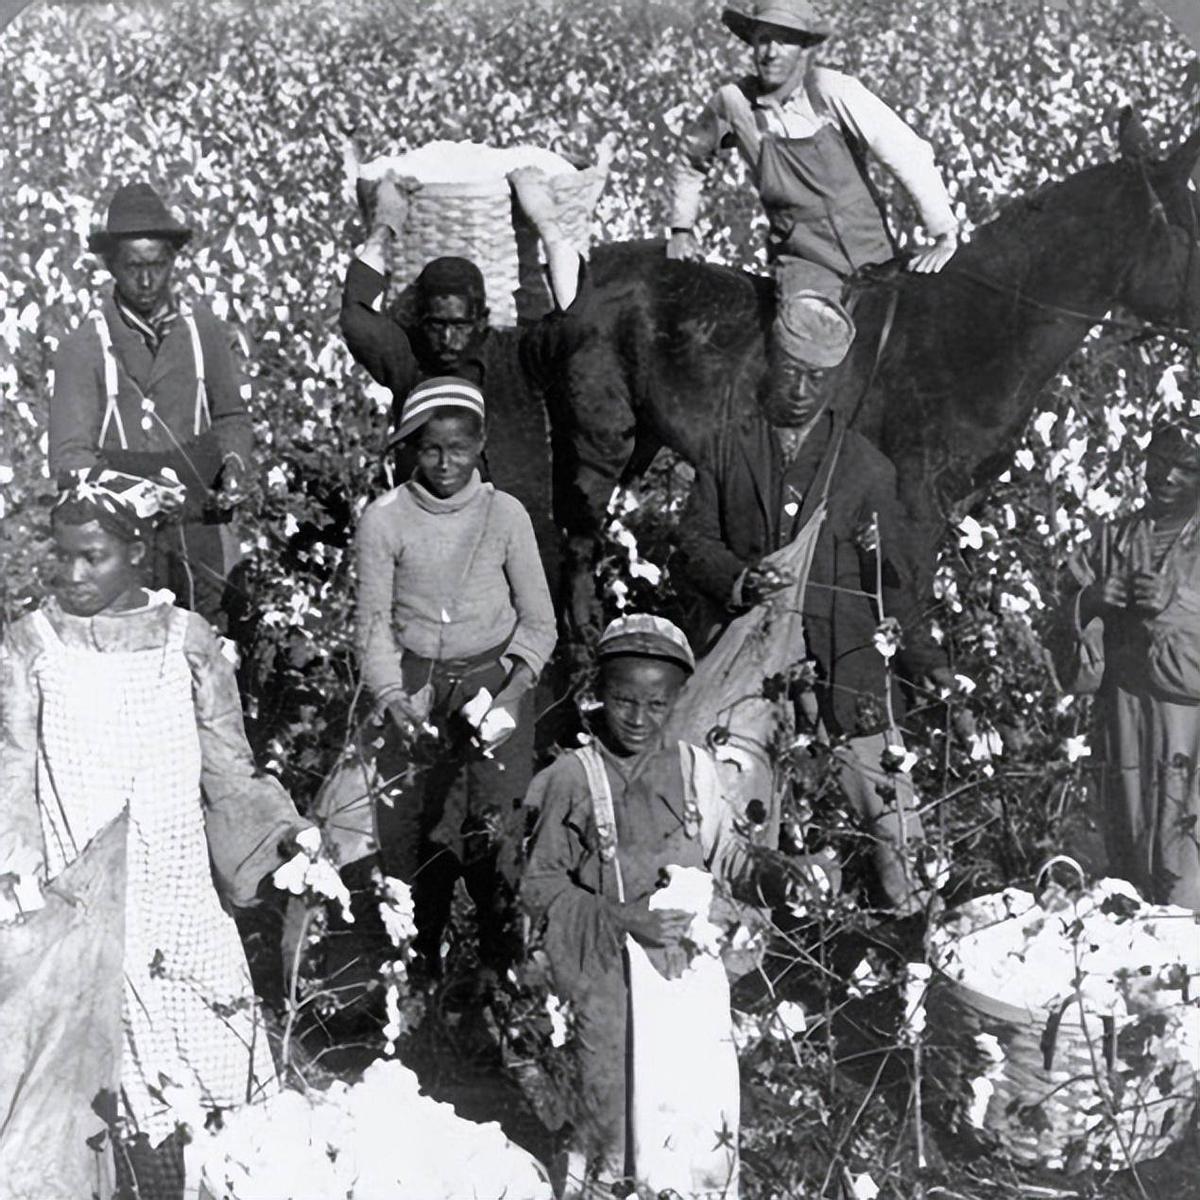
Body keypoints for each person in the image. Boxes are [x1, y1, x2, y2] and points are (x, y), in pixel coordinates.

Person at [0, 468, 311, 1198]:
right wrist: (17, 868)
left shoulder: (187, 642)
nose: (73, 574)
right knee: (91, 1103)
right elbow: (11, 768)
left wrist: (287, 841)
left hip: (180, 904)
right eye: (63, 555)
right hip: (87, 910)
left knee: (215, 1103)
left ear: (138, 551)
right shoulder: (30, 646)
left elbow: (229, 768)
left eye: (94, 557)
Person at [674, 308, 954, 914]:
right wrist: (742, 579)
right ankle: (731, 936)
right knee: (717, 788)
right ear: (770, 367)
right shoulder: (729, 449)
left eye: (816, 380)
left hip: (845, 659)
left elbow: (892, 584)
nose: (800, 392)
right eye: (791, 374)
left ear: (836, 383)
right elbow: (693, 545)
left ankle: (912, 940)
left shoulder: (863, 467)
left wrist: (924, 656)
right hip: (750, 662)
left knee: (891, 813)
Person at [522, 614, 810, 1199]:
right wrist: (622, 917)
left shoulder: (691, 768)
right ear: (597, 694)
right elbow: (538, 886)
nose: (638, 717)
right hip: (606, 979)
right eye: (624, 700)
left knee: (688, 1118)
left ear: (677, 701)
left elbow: (727, 852)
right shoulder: (570, 779)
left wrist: (780, 875)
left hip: (683, 980)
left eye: (656, 704)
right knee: (613, 1113)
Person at [354, 375, 557, 982]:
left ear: (481, 445)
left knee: (495, 832)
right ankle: (420, 975)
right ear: (411, 449)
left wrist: (510, 697)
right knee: (419, 839)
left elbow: (539, 623)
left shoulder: (504, 515)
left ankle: (501, 975)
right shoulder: (384, 520)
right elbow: (372, 628)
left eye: (460, 449)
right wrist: (394, 702)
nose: (446, 463)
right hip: (416, 688)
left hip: (493, 681)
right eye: (431, 449)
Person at [665, 0, 959, 403]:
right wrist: (682, 228)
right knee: (805, 350)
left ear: (804, 49)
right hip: (805, 262)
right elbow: (690, 158)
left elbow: (907, 152)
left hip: (873, 252)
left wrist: (943, 232)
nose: (771, 51)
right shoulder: (732, 104)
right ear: (751, 43)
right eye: (763, 39)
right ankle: (795, 448)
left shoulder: (832, 91)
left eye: (784, 41)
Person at [339, 174, 579, 596]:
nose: (448, 341)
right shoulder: (409, 364)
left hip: (522, 553)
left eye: (460, 326)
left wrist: (545, 223)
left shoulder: (518, 358)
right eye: (437, 326)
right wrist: (386, 223)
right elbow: (356, 315)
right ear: (419, 322)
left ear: (481, 321)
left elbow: (574, 315)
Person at [49, 182, 254, 630]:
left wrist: (235, 466)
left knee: (210, 640)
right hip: (123, 535)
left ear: (173, 262)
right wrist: (137, 495)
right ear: (110, 266)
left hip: (199, 523)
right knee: (130, 645)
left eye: (158, 266)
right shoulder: (85, 346)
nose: (146, 280)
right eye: (133, 267)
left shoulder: (202, 331)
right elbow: (70, 456)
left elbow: (231, 417)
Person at [1054, 419, 1200, 910]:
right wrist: (1090, 602)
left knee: (1186, 860)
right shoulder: (1110, 540)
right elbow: (1060, 626)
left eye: (1185, 467)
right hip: (1124, 720)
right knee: (1130, 857)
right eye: (1158, 462)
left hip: (1190, 728)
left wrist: (1177, 604)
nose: (1167, 477)